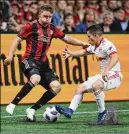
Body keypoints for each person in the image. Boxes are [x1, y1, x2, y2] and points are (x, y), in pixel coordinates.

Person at [4, 4, 89, 122]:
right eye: (45, 16)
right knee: (35, 78)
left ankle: (32, 109)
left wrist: (82, 43)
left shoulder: (53, 28)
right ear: (39, 15)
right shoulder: (30, 26)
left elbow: (67, 38)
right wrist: (10, 56)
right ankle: (13, 104)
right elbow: (17, 39)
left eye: (50, 17)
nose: (47, 19)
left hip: (43, 64)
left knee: (56, 87)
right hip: (28, 60)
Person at [55, 24, 123, 125]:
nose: (88, 38)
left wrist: (106, 70)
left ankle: (102, 112)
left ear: (96, 35)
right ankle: (70, 110)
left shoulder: (107, 45)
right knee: (79, 88)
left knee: (96, 85)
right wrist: (71, 53)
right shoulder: (95, 46)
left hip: (115, 75)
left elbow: (115, 57)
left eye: (89, 36)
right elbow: (84, 52)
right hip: (104, 75)